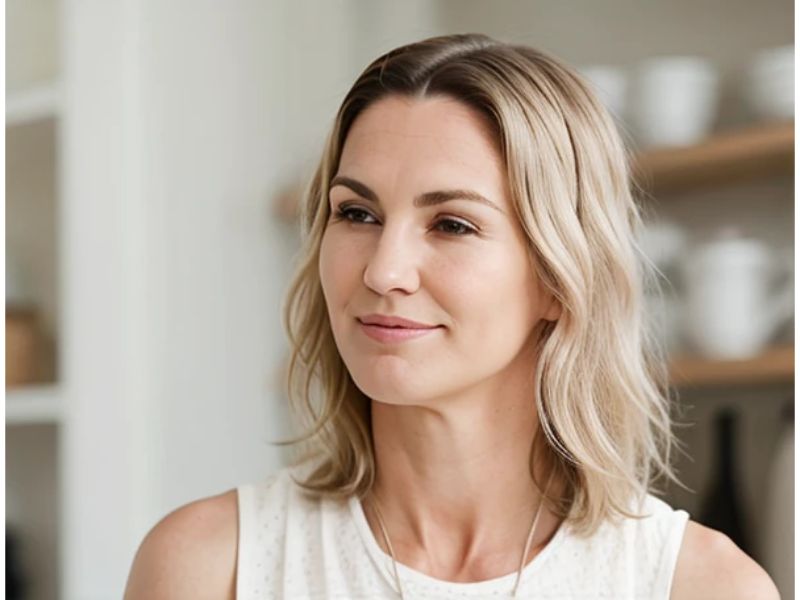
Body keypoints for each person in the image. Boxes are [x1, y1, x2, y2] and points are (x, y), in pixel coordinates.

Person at [124, 33, 780, 599]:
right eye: (356, 213)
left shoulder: (700, 587)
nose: (383, 270)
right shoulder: (210, 567)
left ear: (559, 277)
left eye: (452, 224)